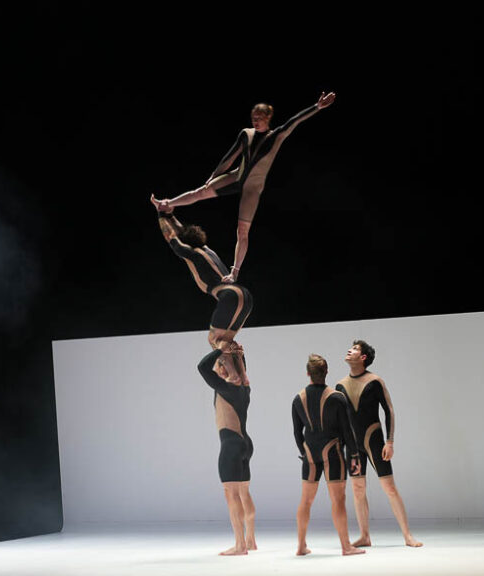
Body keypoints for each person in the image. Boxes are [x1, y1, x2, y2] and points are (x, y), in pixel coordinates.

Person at [151, 91, 336, 283]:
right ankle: (167, 204)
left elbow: (295, 121)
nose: (255, 121)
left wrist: (317, 107)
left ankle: (234, 273)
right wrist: (214, 176)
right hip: (236, 177)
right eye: (253, 118)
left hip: (252, 189)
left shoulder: (276, 136)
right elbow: (230, 157)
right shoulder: (246, 134)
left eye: (259, 118)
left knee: (242, 231)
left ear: (268, 118)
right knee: (201, 191)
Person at [336, 340, 423, 548]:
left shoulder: (375, 381)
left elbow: (389, 410)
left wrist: (389, 441)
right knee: (358, 489)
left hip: (374, 441)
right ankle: (364, 536)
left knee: (389, 487)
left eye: (354, 349)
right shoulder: (340, 386)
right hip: (353, 447)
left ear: (363, 357)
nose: (349, 350)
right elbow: (340, 420)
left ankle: (407, 535)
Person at [155, 210, 252, 381]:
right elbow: (183, 233)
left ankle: (234, 377)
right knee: (225, 341)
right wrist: (170, 216)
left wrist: (160, 214)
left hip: (229, 295)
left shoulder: (190, 253)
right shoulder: (207, 250)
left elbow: (170, 235)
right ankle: (242, 377)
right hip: (244, 295)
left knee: (214, 339)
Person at [292, 354, 365, 557]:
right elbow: (347, 431)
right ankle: (346, 546)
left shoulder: (298, 399)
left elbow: (297, 433)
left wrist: (304, 453)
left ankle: (301, 546)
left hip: (310, 454)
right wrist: (354, 456)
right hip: (332, 453)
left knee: (306, 501)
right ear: (326, 372)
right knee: (338, 500)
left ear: (308, 373)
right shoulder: (337, 398)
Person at [198, 342, 256, 555]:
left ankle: (240, 545)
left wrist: (220, 351)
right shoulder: (245, 388)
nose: (217, 367)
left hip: (231, 445)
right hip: (245, 444)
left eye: (220, 364)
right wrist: (238, 357)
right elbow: (241, 373)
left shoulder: (225, 387)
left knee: (231, 494)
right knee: (244, 492)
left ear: (224, 368)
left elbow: (202, 367)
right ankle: (250, 540)